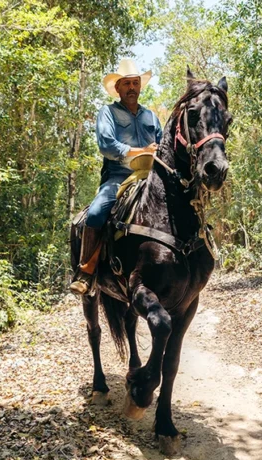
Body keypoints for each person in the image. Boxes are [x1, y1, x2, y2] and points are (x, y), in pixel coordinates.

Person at [70, 59, 163, 295]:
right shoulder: (108, 113)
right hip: (119, 177)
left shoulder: (151, 117)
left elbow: (165, 147)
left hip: (151, 176)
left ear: (140, 86)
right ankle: (86, 271)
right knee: (96, 212)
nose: (132, 87)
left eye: (135, 83)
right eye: (126, 84)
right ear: (118, 88)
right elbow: (106, 145)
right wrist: (139, 151)